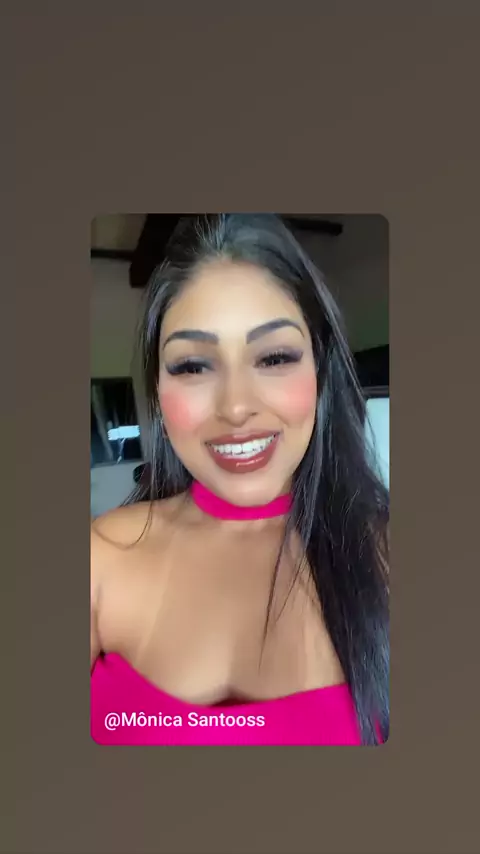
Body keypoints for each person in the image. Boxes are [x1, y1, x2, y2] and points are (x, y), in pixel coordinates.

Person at [90, 213, 389, 746]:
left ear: (320, 370)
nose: (235, 407)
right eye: (193, 366)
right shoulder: (100, 556)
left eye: (273, 357)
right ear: (158, 388)